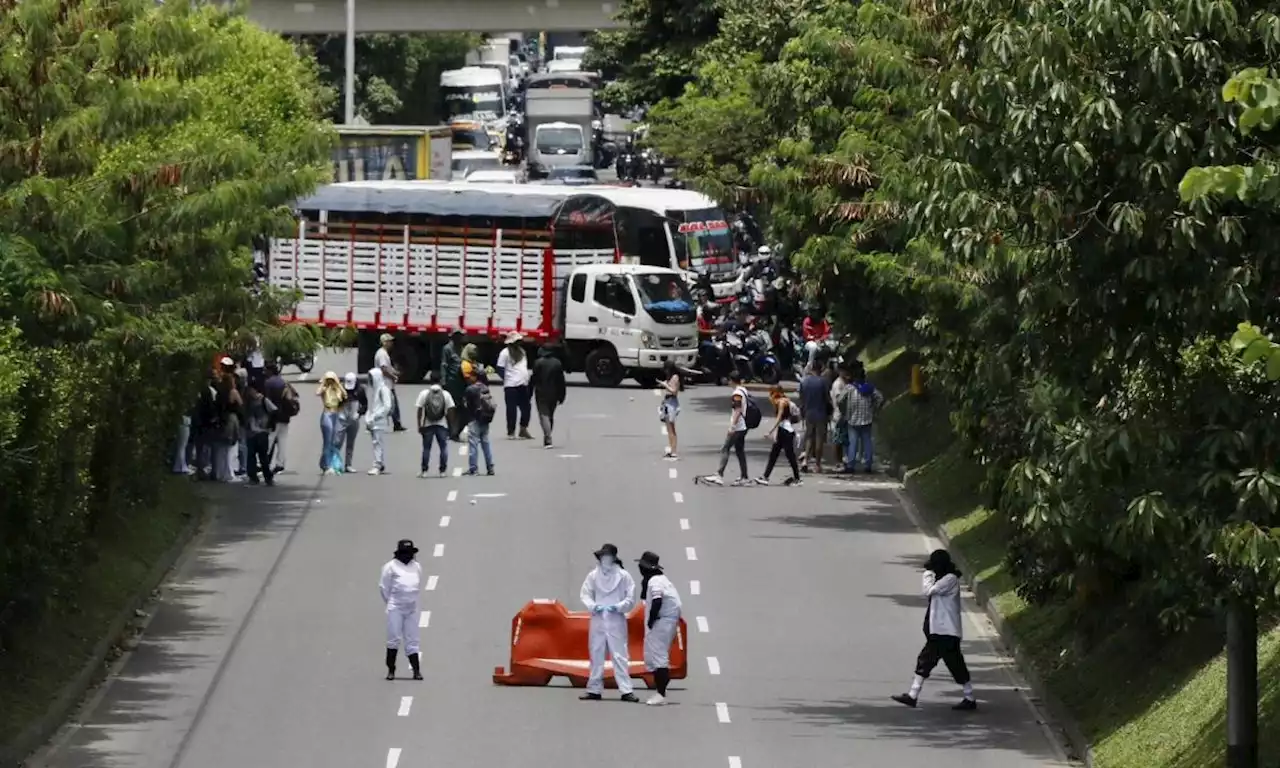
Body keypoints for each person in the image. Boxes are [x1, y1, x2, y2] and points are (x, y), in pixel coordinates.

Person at [892, 549, 976, 710]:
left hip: (947, 631)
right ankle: (913, 695)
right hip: (939, 631)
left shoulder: (950, 579)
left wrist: (927, 574)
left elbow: (928, 591)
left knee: (955, 665)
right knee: (926, 660)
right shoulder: (943, 579)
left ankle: (969, 698)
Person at [579, 544, 639, 703]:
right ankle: (594, 689)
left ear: (613, 557)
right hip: (598, 618)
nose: (605, 559)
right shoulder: (593, 575)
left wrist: (618, 607)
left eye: (607, 556)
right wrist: (593, 606)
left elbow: (631, 598)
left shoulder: (624, 576)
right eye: (602, 556)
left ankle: (626, 690)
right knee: (596, 654)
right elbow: (585, 594)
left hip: (616, 619)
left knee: (619, 655)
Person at [636, 551, 682, 706]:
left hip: (661, 622)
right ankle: (661, 689)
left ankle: (661, 694)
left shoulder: (654, 581)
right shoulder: (661, 579)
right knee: (655, 657)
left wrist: (651, 620)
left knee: (659, 657)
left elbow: (656, 601)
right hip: (667, 621)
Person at [380, 539, 424, 681]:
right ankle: (391, 670)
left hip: (411, 608)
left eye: (410, 553)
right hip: (396, 608)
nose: (408, 556)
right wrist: (392, 602)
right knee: (393, 638)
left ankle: (416, 671)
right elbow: (383, 587)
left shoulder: (416, 566)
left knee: (412, 640)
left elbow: (417, 584)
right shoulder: (390, 567)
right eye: (406, 553)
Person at [702, 373, 751, 486]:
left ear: (732, 381)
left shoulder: (737, 393)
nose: (728, 383)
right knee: (739, 451)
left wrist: (732, 426)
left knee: (725, 448)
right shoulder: (743, 390)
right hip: (742, 426)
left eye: (729, 380)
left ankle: (719, 474)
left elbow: (738, 410)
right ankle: (744, 476)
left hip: (738, 426)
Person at [841, 366, 885, 473]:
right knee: (867, 442)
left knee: (853, 442)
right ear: (864, 377)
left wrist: (844, 411)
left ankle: (851, 464)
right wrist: (875, 408)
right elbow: (880, 398)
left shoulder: (849, 388)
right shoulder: (870, 388)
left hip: (853, 419)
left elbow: (840, 399)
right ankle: (868, 464)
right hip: (867, 419)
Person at [758, 385, 802, 486]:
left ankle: (798, 478)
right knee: (774, 454)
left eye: (771, 393)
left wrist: (770, 431)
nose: (770, 396)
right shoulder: (784, 400)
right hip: (783, 430)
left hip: (786, 431)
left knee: (790, 455)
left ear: (775, 393)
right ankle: (765, 477)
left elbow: (779, 418)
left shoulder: (782, 402)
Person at [415, 371, 455, 477]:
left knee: (426, 448)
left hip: (428, 424)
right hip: (442, 424)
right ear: (441, 380)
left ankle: (424, 471)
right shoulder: (446, 394)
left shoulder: (424, 393)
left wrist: (419, 425)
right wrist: (451, 426)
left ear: (430, 380)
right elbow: (450, 411)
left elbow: (419, 409)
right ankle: (442, 471)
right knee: (443, 448)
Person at [496, 331, 533, 440]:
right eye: (516, 341)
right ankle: (511, 432)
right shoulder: (505, 353)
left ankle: (523, 429)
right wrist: (507, 378)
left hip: (523, 384)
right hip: (511, 385)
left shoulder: (522, 352)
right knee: (511, 410)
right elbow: (499, 368)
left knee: (526, 408)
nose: (519, 343)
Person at [262, 362, 296, 475]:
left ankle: (263, 463)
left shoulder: (268, 383)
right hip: (285, 416)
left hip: (274, 417)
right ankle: (280, 464)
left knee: (269, 441)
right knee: (282, 441)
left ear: (270, 370)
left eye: (266, 370)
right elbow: (294, 396)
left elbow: (267, 400)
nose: (264, 371)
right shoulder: (284, 382)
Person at [530, 344, 566, 448]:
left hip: (541, 392)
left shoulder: (538, 363)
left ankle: (548, 437)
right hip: (554, 393)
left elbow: (533, 379)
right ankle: (548, 435)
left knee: (543, 414)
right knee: (550, 415)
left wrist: (529, 392)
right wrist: (562, 395)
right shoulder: (557, 363)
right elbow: (561, 381)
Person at [462, 363, 496, 476]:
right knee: (486, 444)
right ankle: (490, 468)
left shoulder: (470, 389)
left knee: (473, 445)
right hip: (485, 419)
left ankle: (473, 469)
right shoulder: (486, 388)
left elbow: (466, 405)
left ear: (475, 377)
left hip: (474, 419)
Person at [798, 364, 832, 473]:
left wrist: (802, 411)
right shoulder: (823, 382)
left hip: (808, 412)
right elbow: (827, 399)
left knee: (808, 436)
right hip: (821, 413)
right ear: (820, 369)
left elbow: (801, 399)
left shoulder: (804, 382)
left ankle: (805, 461)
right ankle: (817, 464)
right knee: (819, 439)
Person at [243, 385, 278, 486]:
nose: (250, 393)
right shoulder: (247, 401)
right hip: (250, 433)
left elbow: (274, 410)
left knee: (263, 457)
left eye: (252, 390)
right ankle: (253, 477)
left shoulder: (263, 400)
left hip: (262, 432)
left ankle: (268, 478)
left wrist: (269, 424)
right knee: (251, 457)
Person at [335, 372, 367, 473]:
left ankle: (348, 464)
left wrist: (359, 413)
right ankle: (335, 463)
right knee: (337, 442)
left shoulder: (360, 390)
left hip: (354, 419)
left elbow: (365, 405)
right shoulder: (340, 389)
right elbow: (335, 403)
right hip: (341, 418)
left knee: (350, 443)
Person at [374, 333, 406, 432]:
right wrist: (393, 376)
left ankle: (396, 423)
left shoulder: (383, 353)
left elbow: (388, 367)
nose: (391, 343)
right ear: (384, 342)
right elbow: (383, 369)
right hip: (385, 384)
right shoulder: (382, 354)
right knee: (390, 404)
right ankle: (396, 424)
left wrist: (396, 372)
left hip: (386, 384)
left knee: (388, 404)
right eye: (389, 341)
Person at [315, 371, 345, 474]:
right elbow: (317, 393)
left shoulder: (337, 389)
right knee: (327, 441)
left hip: (336, 414)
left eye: (332, 380)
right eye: (329, 380)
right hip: (327, 414)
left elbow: (344, 395)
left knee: (333, 441)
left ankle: (327, 463)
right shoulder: (324, 389)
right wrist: (323, 383)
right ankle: (326, 465)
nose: (330, 382)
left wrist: (338, 384)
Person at [365, 367, 393, 475]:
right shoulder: (375, 390)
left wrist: (375, 416)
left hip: (379, 421)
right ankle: (379, 463)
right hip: (374, 421)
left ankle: (377, 464)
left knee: (377, 443)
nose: (371, 381)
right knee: (376, 443)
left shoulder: (383, 389)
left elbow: (387, 406)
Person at [441, 329, 466, 440]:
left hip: (461, 382)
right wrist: (443, 380)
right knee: (451, 407)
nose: (459, 338)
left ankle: (454, 430)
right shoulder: (447, 348)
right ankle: (452, 431)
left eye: (460, 336)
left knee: (461, 408)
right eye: (457, 335)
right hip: (451, 382)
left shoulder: (461, 348)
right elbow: (444, 365)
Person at [659, 360, 681, 460]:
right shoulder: (670, 377)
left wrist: (665, 385)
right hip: (667, 402)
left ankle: (674, 451)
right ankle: (671, 450)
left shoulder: (675, 377)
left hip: (672, 402)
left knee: (672, 428)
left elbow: (674, 392)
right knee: (668, 428)